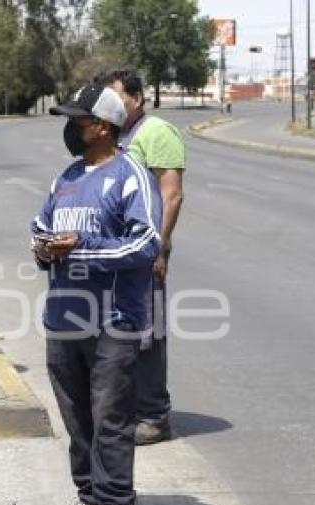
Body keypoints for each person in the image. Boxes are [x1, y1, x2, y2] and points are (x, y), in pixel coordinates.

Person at [34, 84, 162, 505]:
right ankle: (89, 500)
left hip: (113, 320)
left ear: (103, 126)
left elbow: (145, 243)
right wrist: (44, 247)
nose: (71, 127)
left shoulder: (131, 176)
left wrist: (82, 247)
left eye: (78, 119)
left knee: (110, 416)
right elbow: (39, 226)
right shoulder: (66, 176)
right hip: (64, 317)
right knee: (77, 417)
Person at [99, 67, 186, 445]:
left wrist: (160, 247)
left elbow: (171, 195)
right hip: (118, 254)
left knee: (149, 333)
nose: (109, 105)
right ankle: (132, 407)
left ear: (135, 97)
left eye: (115, 97)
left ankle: (154, 415)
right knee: (122, 330)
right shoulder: (118, 136)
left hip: (145, 251)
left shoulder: (156, 133)